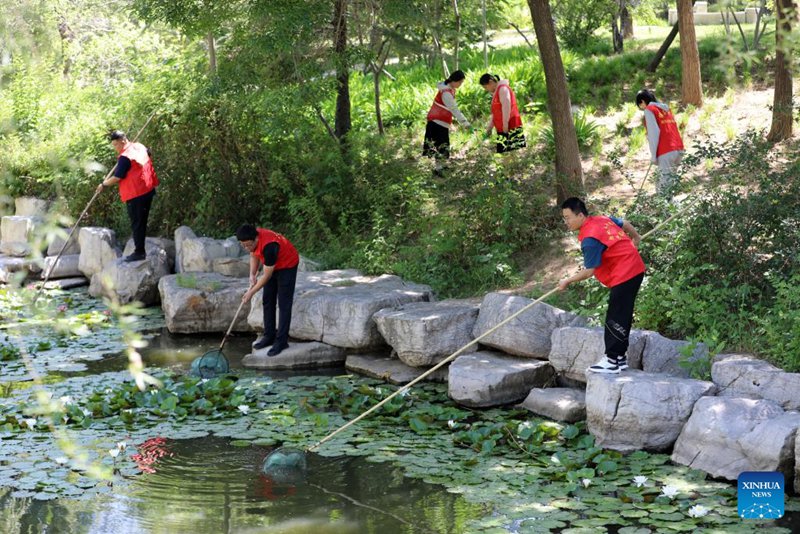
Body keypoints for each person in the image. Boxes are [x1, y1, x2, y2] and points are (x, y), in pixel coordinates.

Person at [558, 197, 645, 374]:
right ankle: (619, 358)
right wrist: (636, 237)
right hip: (635, 268)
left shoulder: (589, 239)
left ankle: (612, 360)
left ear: (580, 215)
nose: (565, 222)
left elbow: (589, 271)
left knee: (616, 316)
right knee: (622, 314)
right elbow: (625, 223)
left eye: (567, 217)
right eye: (564, 218)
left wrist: (567, 280)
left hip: (626, 272)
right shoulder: (602, 219)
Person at [237, 224, 299, 357]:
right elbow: (253, 255)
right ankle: (269, 336)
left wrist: (251, 292)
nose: (246, 248)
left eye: (248, 245)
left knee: (284, 303)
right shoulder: (252, 239)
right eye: (243, 246)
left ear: (256, 239)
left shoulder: (270, 246)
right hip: (271, 266)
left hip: (287, 265)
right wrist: (252, 274)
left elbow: (266, 276)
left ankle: (282, 341)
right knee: (267, 300)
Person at [96, 130, 159, 262]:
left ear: (123, 141)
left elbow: (118, 177)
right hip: (147, 190)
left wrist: (103, 184)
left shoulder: (125, 157)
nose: (115, 148)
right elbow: (148, 153)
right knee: (141, 222)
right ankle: (140, 249)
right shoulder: (139, 146)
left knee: (137, 223)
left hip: (136, 194)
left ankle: (139, 252)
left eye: (116, 145)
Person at [636, 89, 685, 198]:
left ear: (643, 101)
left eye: (640, 105)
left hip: (666, 150)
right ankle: (670, 209)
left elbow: (654, 133)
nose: (641, 108)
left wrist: (654, 155)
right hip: (678, 148)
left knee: (664, 187)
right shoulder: (666, 109)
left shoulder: (649, 110)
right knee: (668, 182)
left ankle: (666, 213)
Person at [423, 70, 472, 163]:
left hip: (440, 122)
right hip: (437, 122)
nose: (461, 84)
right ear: (454, 80)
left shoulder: (449, 89)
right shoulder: (446, 93)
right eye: (460, 82)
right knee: (440, 145)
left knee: (443, 145)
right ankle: (439, 169)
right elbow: (454, 109)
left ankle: (442, 166)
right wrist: (465, 123)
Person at [479, 74, 526, 153]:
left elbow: (506, 107)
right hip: (503, 126)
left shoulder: (503, 89)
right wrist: (490, 127)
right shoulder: (496, 92)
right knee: (504, 153)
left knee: (511, 153)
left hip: (510, 124)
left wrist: (505, 125)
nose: (486, 90)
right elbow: (495, 112)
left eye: (486, 87)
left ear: (490, 82)